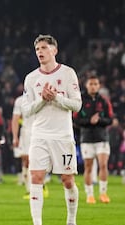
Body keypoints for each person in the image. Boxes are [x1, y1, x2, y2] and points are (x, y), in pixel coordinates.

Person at [22, 34, 81, 225]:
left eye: (44, 48)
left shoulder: (68, 73)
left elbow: (77, 105)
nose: (40, 52)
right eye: (37, 49)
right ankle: (37, 223)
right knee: (36, 177)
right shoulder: (31, 78)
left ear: (54, 50)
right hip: (39, 135)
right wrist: (42, 99)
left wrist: (56, 98)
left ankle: (71, 220)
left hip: (63, 136)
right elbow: (26, 110)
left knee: (67, 180)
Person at [73, 74, 113, 204]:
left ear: (99, 86)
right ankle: (90, 195)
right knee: (88, 167)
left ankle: (103, 193)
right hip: (87, 138)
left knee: (103, 164)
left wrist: (100, 120)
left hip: (102, 138)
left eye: (96, 84)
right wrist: (89, 121)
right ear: (86, 85)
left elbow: (110, 119)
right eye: (91, 84)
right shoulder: (81, 100)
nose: (93, 86)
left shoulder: (104, 100)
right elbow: (76, 120)